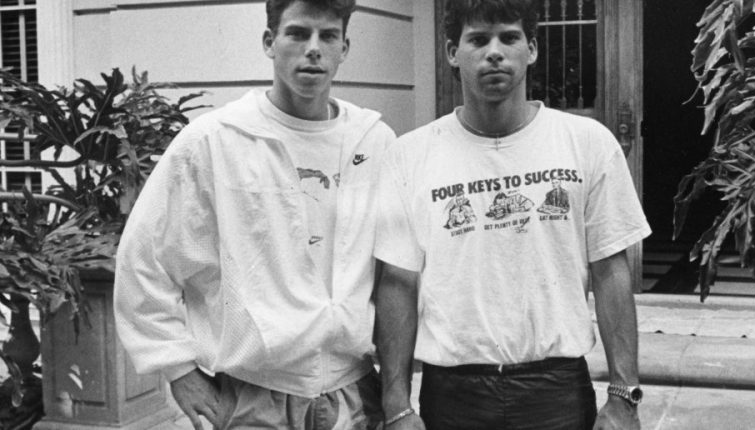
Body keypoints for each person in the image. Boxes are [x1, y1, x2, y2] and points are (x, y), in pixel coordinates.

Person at [113, 1, 395, 428]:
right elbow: (144, 258)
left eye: (328, 36)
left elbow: (399, 269)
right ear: (270, 42)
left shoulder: (373, 142)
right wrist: (178, 369)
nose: (313, 49)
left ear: (345, 47)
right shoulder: (216, 140)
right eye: (298, 34)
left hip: (352, 393)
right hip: (251, 395)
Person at [373, 0, 650, 429]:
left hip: (555, 392)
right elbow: (397, 285)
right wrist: (397, 407)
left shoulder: (587, 143)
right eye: (478, 40)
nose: (494, 52)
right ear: (452, 52)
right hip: (453, 395)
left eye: (509, 37)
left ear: (532, 48)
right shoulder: (410, 156)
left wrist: (623, 396)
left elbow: (611, 270)